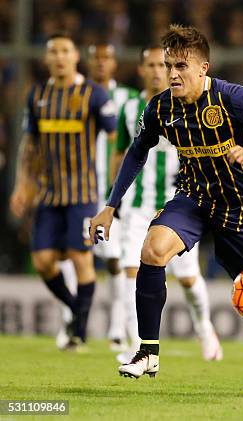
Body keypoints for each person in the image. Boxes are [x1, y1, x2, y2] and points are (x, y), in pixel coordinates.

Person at [89, 24, 243, 383]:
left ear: (203, 68)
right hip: (193, 197)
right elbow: (136, 151)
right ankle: (148, 352)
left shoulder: (231, 97)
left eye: (180, 66)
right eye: (169, 65)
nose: (172, 73)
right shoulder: (160, 107)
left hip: (240, 203)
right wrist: (111, 205)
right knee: (152, 251)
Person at [114, 46, 222, 363]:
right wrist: (113, 200)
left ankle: (205, 329)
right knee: (132, 271)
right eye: (149, 65)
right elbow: (123, 155)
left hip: (178, 204)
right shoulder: (132, 107)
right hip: (137, 204)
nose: (156, 71)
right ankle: (139, 347)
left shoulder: (188, 104)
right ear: (141, 70)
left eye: (160, 65)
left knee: (188, 279)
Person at [10, 33, 117, 351]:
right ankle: (75, 309)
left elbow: (114, 139)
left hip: (83, 194)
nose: (59, 57)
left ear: (75, 57)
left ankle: (78, 331)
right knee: (42, 261)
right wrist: (21, 184)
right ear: (46, 59)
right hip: (47, 193)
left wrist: (112, 185)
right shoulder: (38, 95)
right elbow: (30, 145)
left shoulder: (94, 94)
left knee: (80, 258)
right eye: (53, 51)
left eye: (65, 51)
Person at [88, 43, 140, 351]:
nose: (101, 64)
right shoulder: (77, 95)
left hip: (116, 192)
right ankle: (74, 323)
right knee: (83, 255)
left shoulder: (131, 100)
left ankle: (117, 327)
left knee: (117, 258)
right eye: (96, 58)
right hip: (81, 187)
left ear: (115, 64)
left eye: (106, 58)